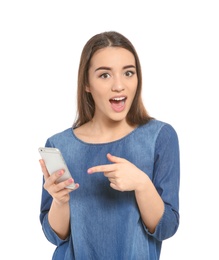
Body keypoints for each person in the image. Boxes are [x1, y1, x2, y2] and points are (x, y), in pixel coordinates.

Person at [39, 31, 180, 260]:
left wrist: (142, 184)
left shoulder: (160, 137)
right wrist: (60, 201)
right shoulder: (58, 145)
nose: (119, 85)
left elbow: (166, 228)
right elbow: (56, 236)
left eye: (128, 73)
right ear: (87, 83)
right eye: (104, 75)